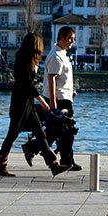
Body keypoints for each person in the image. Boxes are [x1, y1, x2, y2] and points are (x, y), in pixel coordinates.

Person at [0, 32, 72, 177]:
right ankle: (1, 165)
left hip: (28, 102)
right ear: (35, 45)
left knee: (40, 132)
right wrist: (42, 100)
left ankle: (53, 165)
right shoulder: (22, 59)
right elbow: (26, 83)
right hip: (20, 103)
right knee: (12, 134)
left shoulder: (28, 59)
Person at [23, 26, 82, 171]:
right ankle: (33, 147)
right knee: (62, 129)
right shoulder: (55, 55)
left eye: (73, 39)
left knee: (66, 129)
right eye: (70, 39)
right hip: (58, 99)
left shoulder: (62, 54)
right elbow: (52, 79)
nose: (72, 42)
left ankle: (67, 159)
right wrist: (53, 102)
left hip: (65, 97)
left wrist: (70, 93)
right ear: (61, 37)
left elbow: (63, 79)